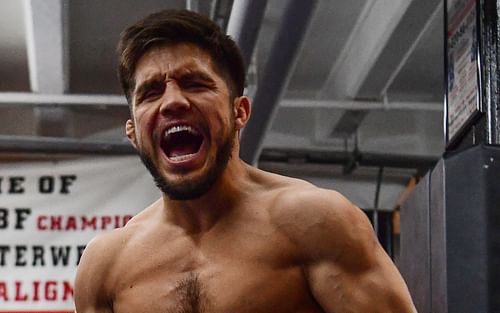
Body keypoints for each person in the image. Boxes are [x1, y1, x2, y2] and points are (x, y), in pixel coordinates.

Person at [74, 9, 417, 313]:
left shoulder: (315, 223)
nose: (172, 102)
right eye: (151, 92)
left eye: (195, 83)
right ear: (133, 133)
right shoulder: (106, 267)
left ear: (239, 112)